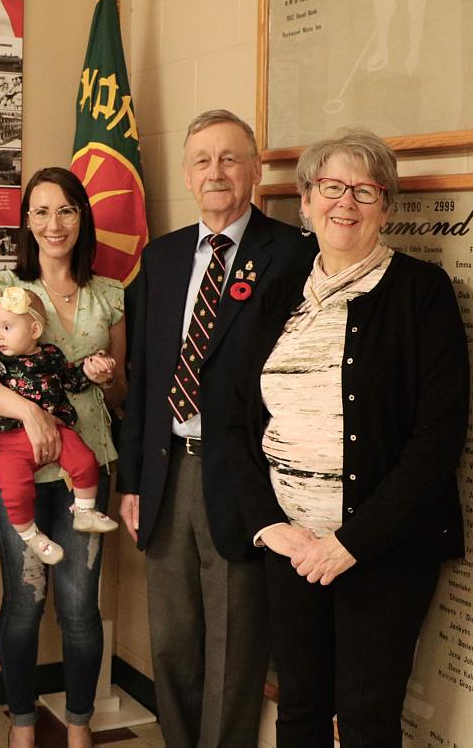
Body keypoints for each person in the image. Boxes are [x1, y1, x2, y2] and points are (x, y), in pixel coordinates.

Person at [228, 130, 468, 748]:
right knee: (300, 708)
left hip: (382, 551)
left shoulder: (422, 292)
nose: (346, 202)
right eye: (331, 187)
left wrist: (349, 544)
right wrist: (269, 525)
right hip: (292, 547)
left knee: (366, 719)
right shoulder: (279, 290)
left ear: (386, 207)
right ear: (306, 202)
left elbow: (439, 437)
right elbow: (236, 418)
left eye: (365, 190)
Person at [117, 109, 313, 748]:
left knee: (235, 648)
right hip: (167, 471)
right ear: (186, 174)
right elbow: (145, 378)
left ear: (255, 170)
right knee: (172, 643)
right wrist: (132, 481)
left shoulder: (293, 256)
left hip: (245, 477)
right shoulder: (163, 257)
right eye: (202, 160)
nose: (216, 172)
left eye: (230, 158)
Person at [0, 166, 126, 748]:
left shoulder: (110, 295)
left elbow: (120, 391)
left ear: (82, 218)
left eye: (66, 210)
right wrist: (29, 412)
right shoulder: (2, 289)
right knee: (25, 601)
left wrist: (106, 375)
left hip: (85, 466)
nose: (55, 224)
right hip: (12, 462)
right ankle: (22, 725)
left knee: (79, 607)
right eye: (42, 211)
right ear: (27, 221)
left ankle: (78, 726)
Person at [0, 285, 118, 566]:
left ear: (34, 330)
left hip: (56, 431)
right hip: (11, 442)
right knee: (15, 492)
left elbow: (73, 381)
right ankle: (31, 536)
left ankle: (84, 511)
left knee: (86, 461)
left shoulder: (51, 355)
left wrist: (91, 370)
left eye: (7, 327)